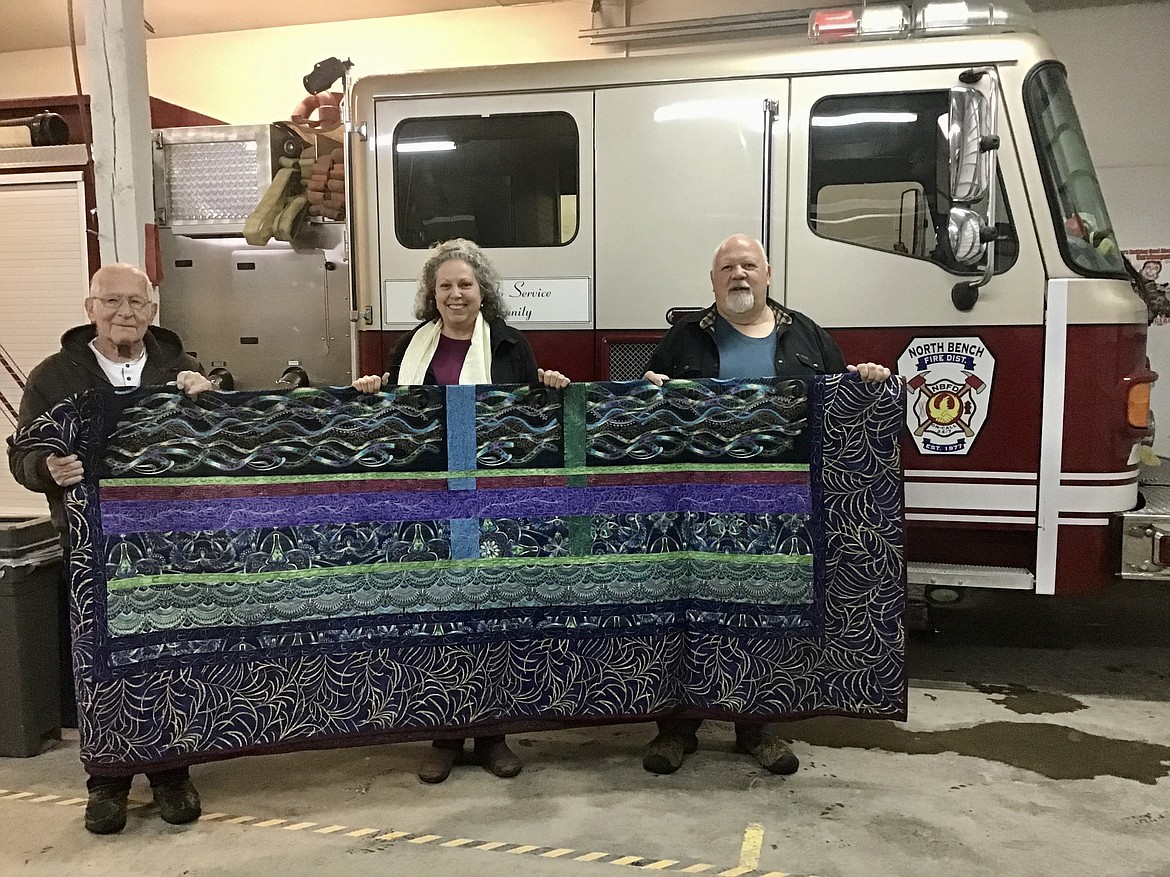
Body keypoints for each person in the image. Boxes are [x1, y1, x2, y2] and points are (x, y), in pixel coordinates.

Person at [641, 233, 891, 776]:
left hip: (782, 509)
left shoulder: (806, 336)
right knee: (688, 616)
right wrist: (649, 389)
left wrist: (866, 382)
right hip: (697, 509)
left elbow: (838, 408)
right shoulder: (684, 339)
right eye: (727, 267)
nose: (739, 275)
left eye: (748, 265)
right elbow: (650, 417)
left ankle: (757, 729)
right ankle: (677, 729)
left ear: (768, 275)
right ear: (712, 281)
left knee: (765, 617)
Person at [352, 238, 569, 784]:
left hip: (492, 508)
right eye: (444, 285)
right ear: (432, 294)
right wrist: (371, 390)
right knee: (437, 618)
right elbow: (392, 423)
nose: (455, 293)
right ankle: (444, 737)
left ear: (482, 292)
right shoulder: (409, 348)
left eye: (465, 285)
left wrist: (549, 388)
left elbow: (527, 429)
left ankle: (494, 735)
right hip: (430, 509)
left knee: (491, 616)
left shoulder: (511, 346)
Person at [7, 263, 213, 835]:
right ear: (89, 307)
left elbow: (219, 449)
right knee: (100, 667)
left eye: (136, 303)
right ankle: (107, 782)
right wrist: (46, 468)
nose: (125, 313)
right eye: (112, 302)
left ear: (153, 311)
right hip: (91, 551)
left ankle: (173, 773)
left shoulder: (181, 369)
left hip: (166, 547)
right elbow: (24, 455)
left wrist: (210, 403)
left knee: (170, 660)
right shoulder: (53, 376)